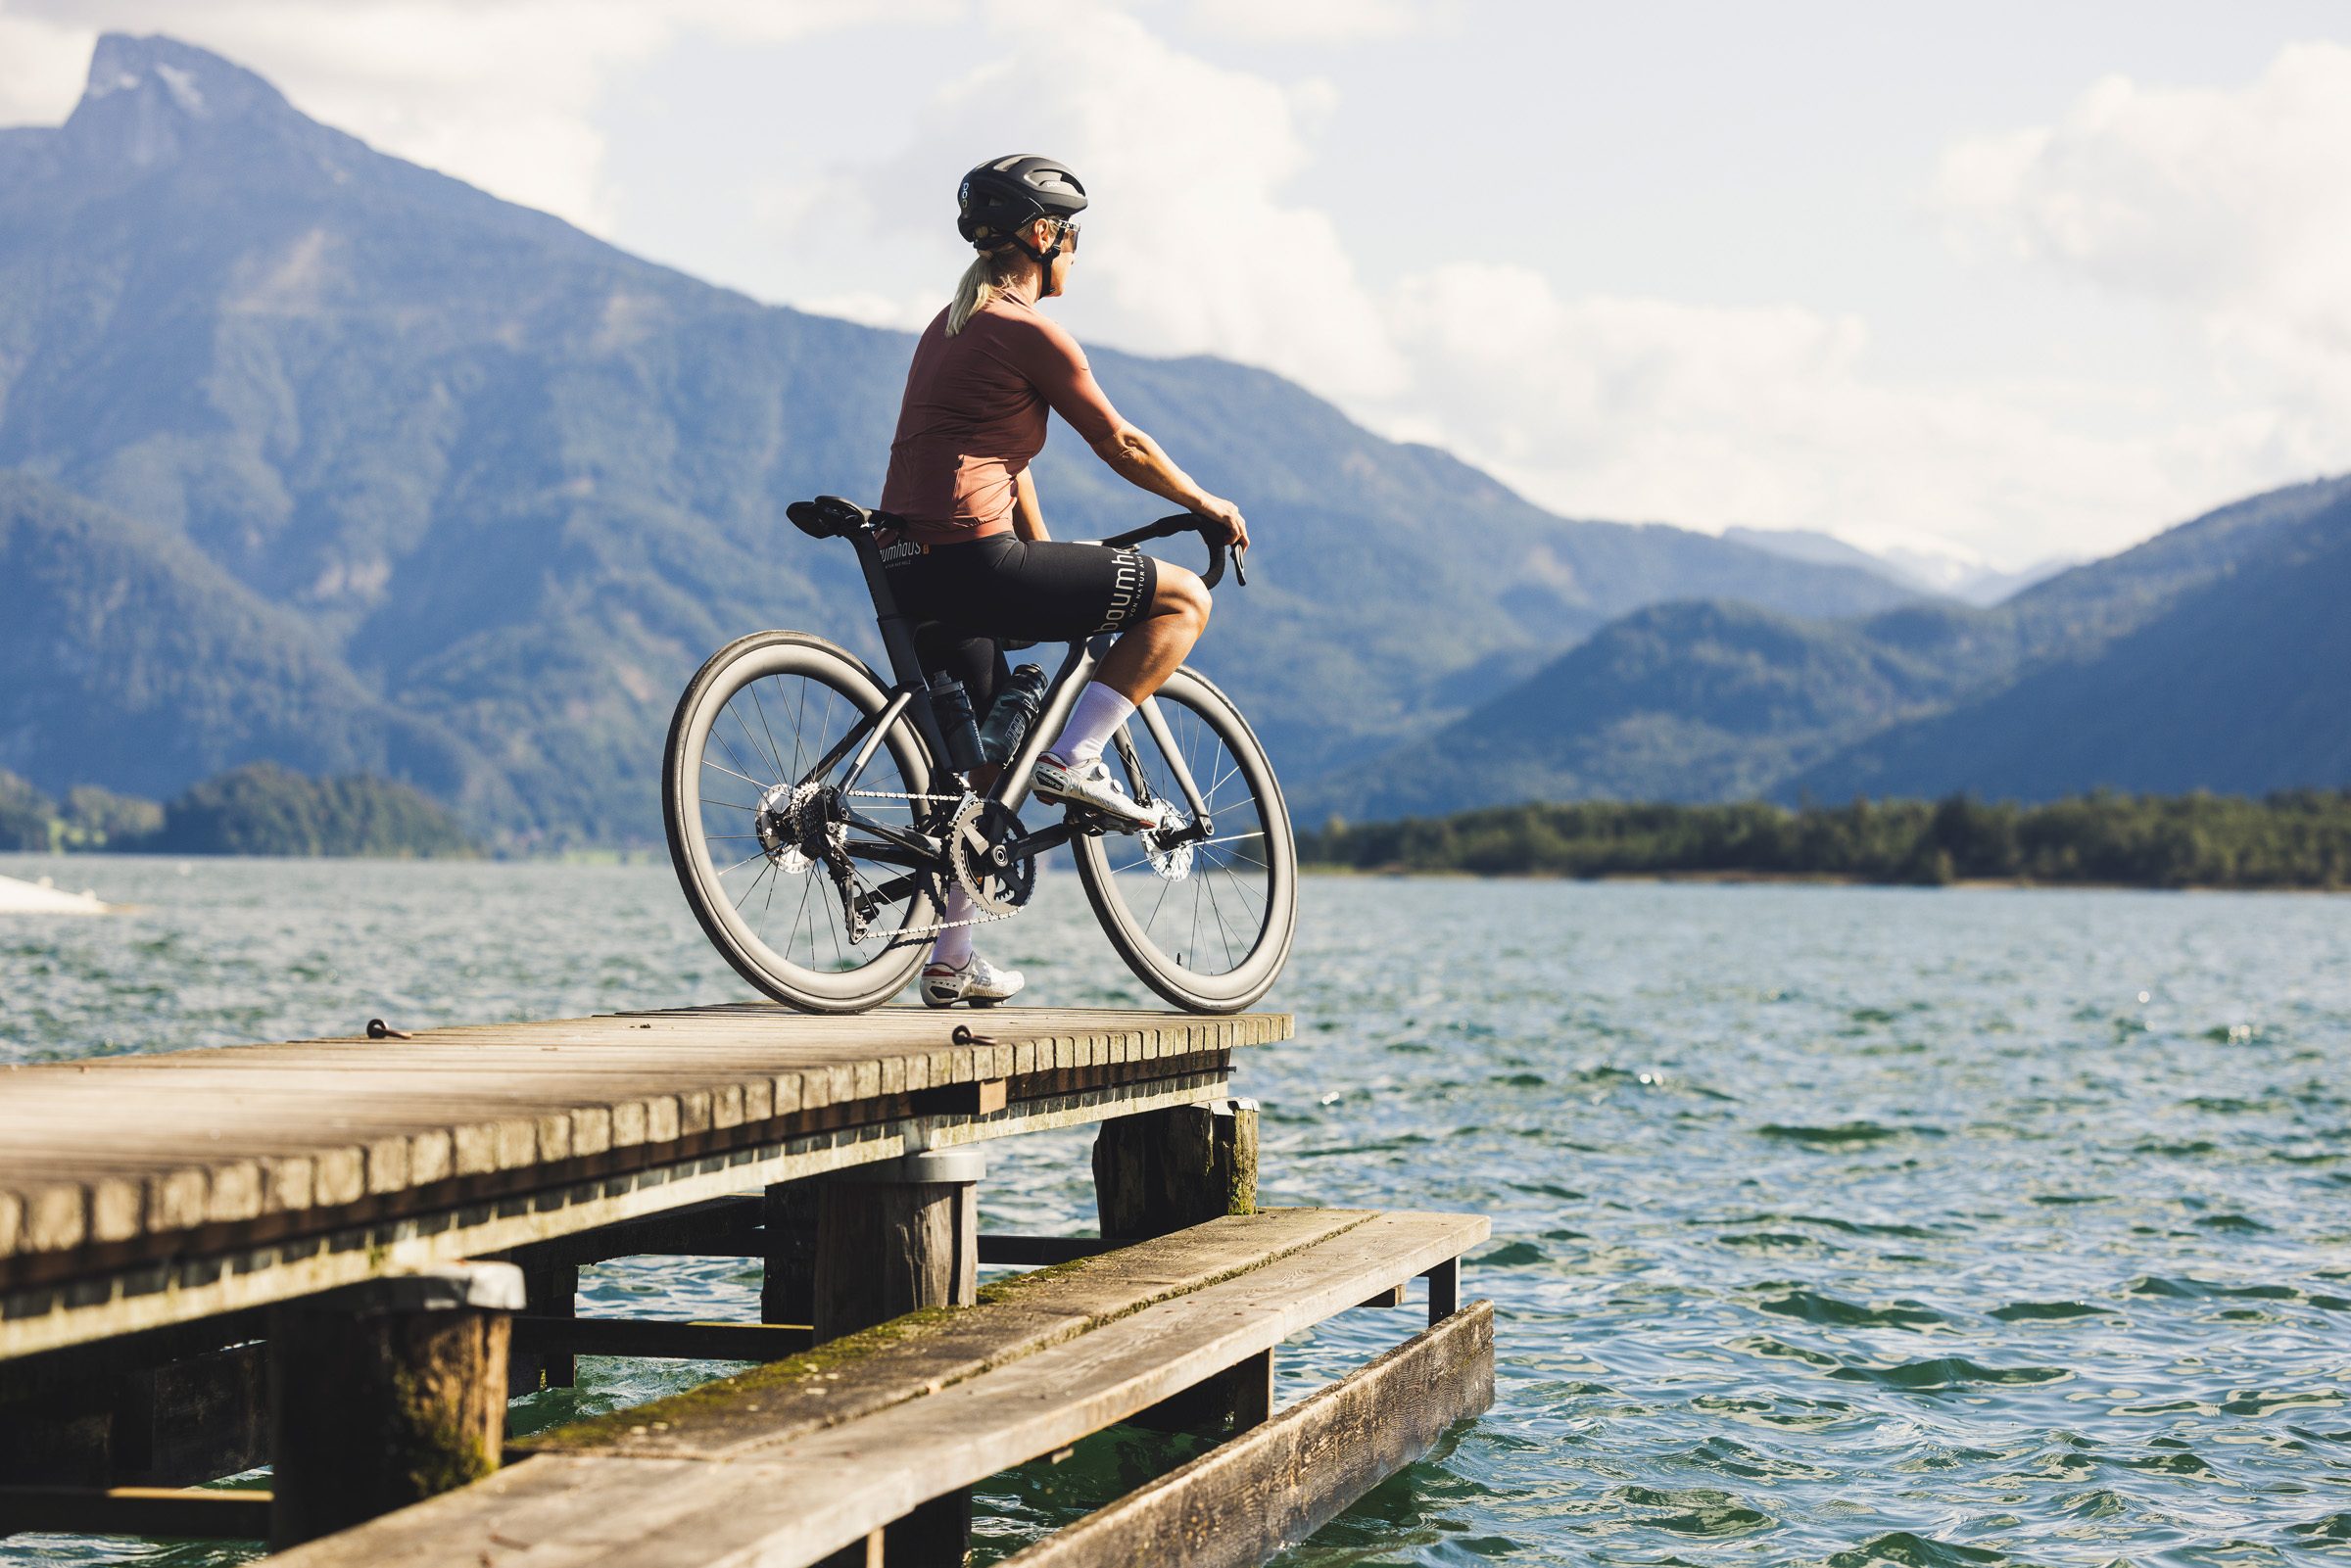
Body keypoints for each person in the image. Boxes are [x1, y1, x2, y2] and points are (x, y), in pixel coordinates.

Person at [875, 153, 1249, 1008]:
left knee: (983, 778)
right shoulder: (1028, 329)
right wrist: (1203, 500)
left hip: (912, 564)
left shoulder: (951, 327)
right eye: (1072, 237)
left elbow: (999, 456)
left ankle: (950, 957)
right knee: (1184, 598)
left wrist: (1053, 556)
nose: (1076, 252)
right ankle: (1075, 758)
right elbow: (1120, 443)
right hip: (974, 557)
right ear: (1043, 236)